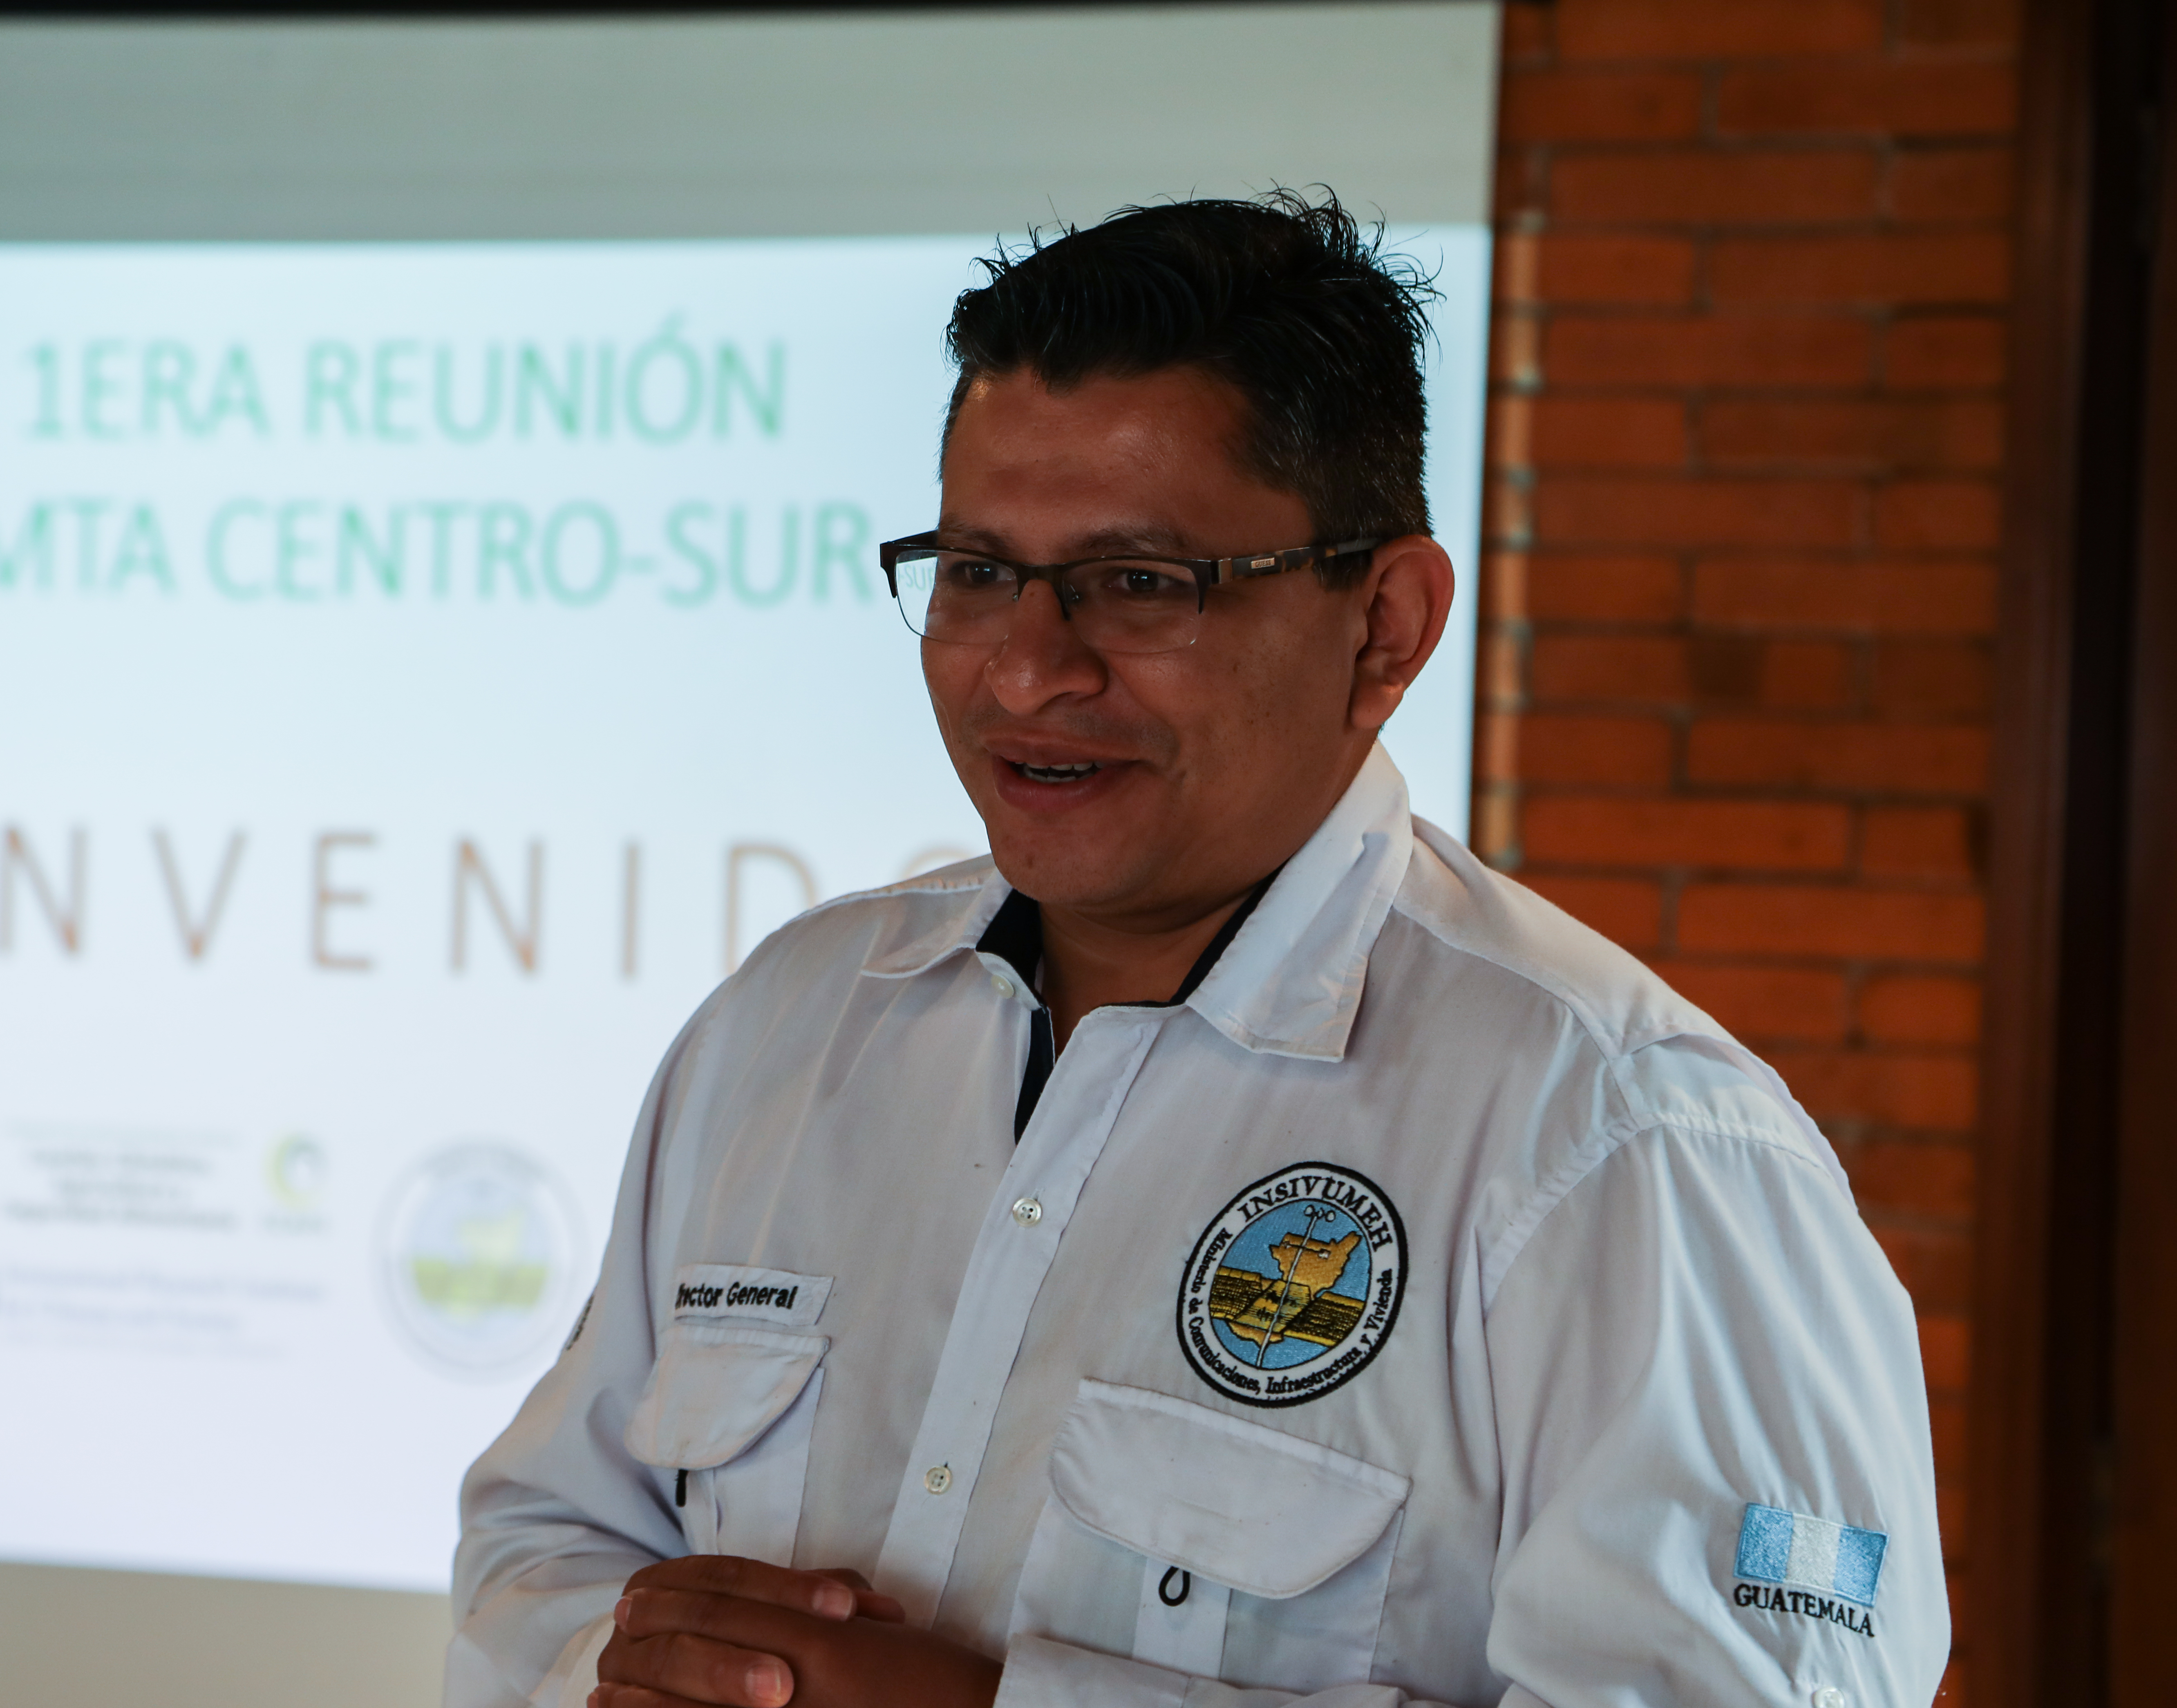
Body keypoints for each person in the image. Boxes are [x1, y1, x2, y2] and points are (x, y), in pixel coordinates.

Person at [446, 192, 1949, 1708]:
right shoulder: (789, 1024)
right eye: (976, 571)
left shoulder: (1624, 1142)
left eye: (1141, 582)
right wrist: (618, 1665)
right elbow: (545, 1532)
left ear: (1387, 627)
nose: (1030, 666)